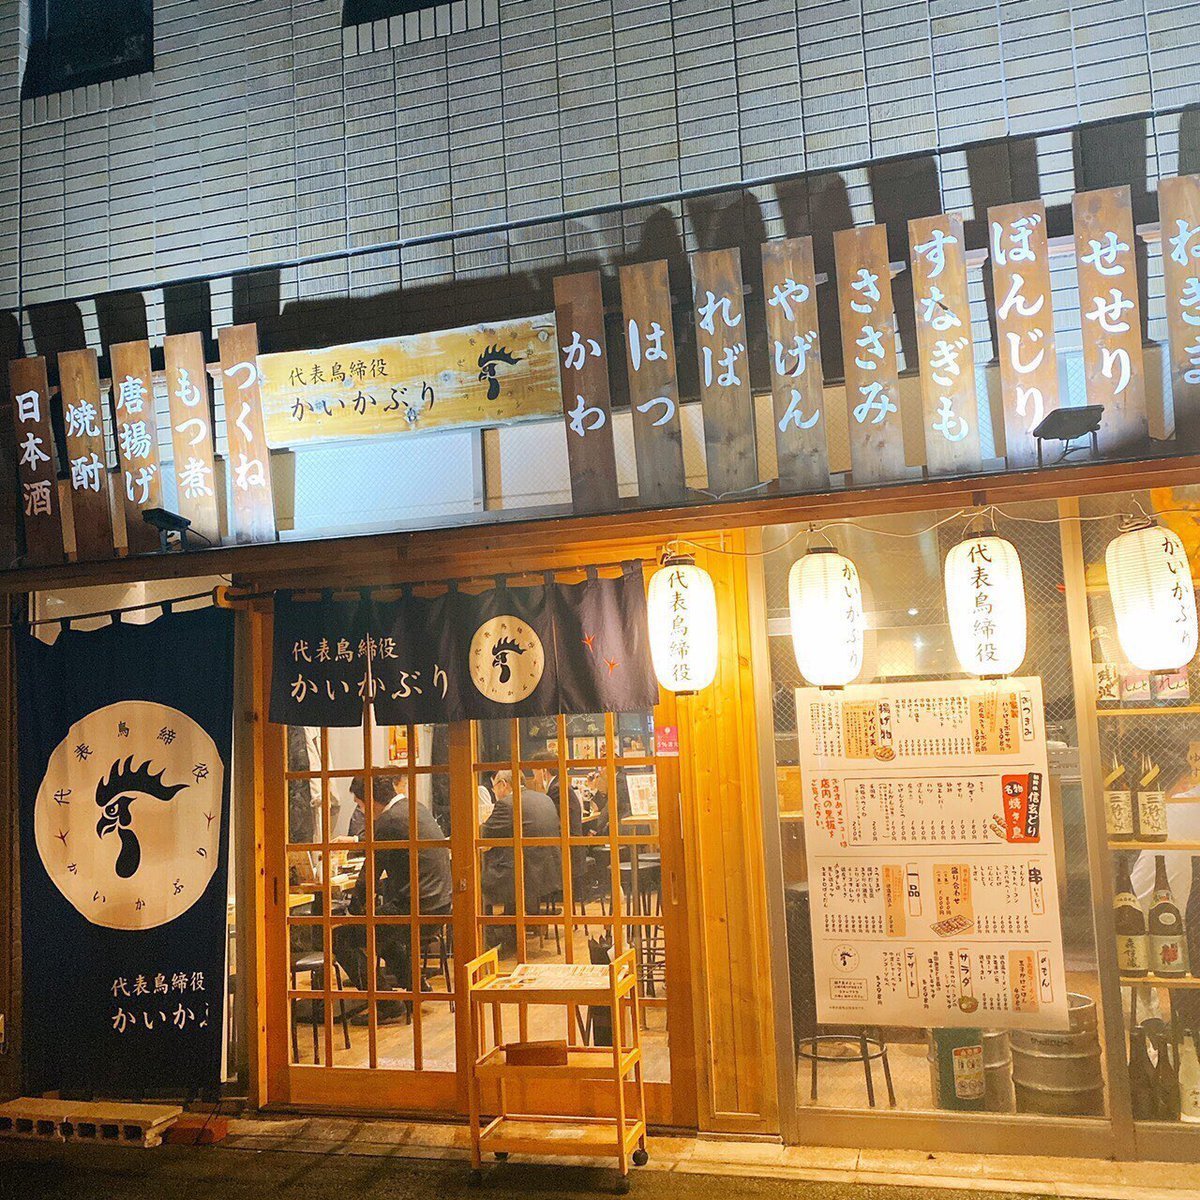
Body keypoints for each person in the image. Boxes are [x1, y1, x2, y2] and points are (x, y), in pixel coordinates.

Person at [335, 776, 452, 1014]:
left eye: (359, 804)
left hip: (416, 908)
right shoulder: (414, 807)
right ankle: (416, 985)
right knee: (380, 929)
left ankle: (386, 1003)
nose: (361, 810)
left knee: (341, 938)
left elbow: (368, 876)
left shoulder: (388, 821)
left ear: (371, 801)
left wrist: (353, 911)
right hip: (440, 903)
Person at [480, 769, 562, 917]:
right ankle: (514, 919)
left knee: (479, 871)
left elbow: (484, 833)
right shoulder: (544, 798)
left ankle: (488, 926)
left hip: (523, 873)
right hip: (549, 869)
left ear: (503, 784)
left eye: (494, 788)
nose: (494, 792)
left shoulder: (507, 804)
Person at [529, 749, 586, 893]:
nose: (534, 778)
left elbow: (551, 822)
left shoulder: (556, 789)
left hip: (567, 850)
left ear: (543, 771)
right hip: (571, 847)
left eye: (534, 772)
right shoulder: (560, 786)